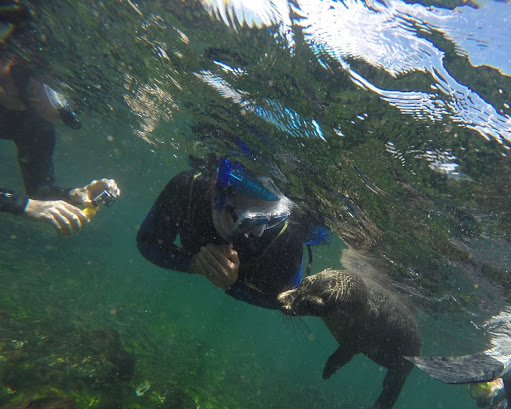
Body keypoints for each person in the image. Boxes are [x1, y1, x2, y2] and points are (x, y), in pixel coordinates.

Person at [0, 1, 120, 234]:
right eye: (23, 75)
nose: (19, 102)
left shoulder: (35, 125)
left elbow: (40, 192)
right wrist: (20, 204)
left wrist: (74, 194)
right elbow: (31, 203)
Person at [137, 156, 319, 309]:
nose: (259, 231)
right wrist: (192, 264)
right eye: (250, 220)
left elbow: (288, 299)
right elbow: (147, 242)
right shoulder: (188, 188)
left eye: (272, 219)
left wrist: (233, 284)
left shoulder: (287, 238)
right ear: (219, 199)